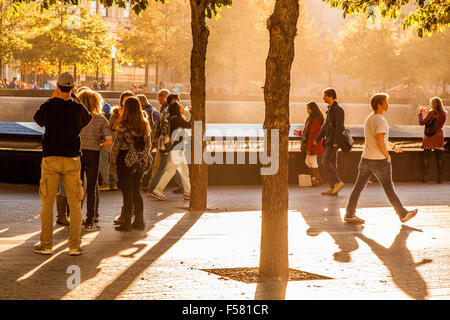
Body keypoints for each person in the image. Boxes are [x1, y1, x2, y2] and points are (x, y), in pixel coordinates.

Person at [32, 72, 92, 255]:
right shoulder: (78, 109)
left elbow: (38, 119)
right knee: (75, 204)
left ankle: (46, 244)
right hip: (72, 159)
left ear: (57, 87)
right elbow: (87, 118)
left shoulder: (49, 106)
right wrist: (73, 98)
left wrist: (55, 98)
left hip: (51, 158)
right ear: (73, 89)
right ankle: (74, 245)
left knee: (47, 203)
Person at [344, 93, 418, 224]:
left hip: (366, 158)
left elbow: (380, 139)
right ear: (379, 105)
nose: (388, 104)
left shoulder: (370, 118)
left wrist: (393, 146)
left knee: (358, 187)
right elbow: (380, 141)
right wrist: (387, 155)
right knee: (389, 188)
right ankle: (402, 213)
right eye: (386, 102)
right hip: (379, 160)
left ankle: (349, 214)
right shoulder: (381, 120)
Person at [110, 96, 151, 231]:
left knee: (127, 191)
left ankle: (126, 222)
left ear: (126, 109)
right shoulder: (144, 124)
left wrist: (113, 162)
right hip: (140, 160)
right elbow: (148, 145)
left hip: (125, 159)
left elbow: (116, 146)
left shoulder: (122, 125)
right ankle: (139, 221)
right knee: (136, 190)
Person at [78, 89, 112, 231]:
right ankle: (90, 221)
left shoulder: (75, 116)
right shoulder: (100, 119)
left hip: (77, 153)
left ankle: (76, 217)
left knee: (76, 186)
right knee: (91, 187)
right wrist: (98, 145)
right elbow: (109, 140)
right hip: (93, 154)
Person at [150, 100, 191, 201]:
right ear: (177, 109)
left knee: (184, 172)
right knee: (170, 172)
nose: (182, 107)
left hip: (177, 149)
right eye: (180, 105)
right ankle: (157, 191)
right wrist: (192, 112)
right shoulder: (176, 119)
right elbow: (190, 125)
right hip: (176, 150)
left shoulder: (172, 119)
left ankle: (188, 193)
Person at [146, 92, 184, 198]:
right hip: (169, 143)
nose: (180, 102)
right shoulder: (171, 112)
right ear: (173, 101)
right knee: (163, 167)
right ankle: (152, 189)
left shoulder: (164, 110)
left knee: (170, 166)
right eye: (178, 100)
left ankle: (184, 187)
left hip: (164, 142)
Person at [314, 88, 345, 195]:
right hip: (329, 140)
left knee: (325, 162)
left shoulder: (338, 110)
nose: (323, 97)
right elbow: (324, 127)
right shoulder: (330, 109)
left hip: (333, 142)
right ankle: (333, 188)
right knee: (331, 163)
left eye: (325, 95)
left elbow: (340, 127)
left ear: (331, 96)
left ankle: (338, 182)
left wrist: (336, 141)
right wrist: (317, 139)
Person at [418, 97, 447, 183]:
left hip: (429, 137)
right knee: (439, 158)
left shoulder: (431, 113)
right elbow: (436, 121)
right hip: (439, 136)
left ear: (433, 104)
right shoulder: (444, 113)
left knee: (426, 157)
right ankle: (439, 178)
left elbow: (422, 122)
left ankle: (424, 177)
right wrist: (428, 114)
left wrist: (420, 114)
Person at [300, 101, 325, 186]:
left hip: (314, 145)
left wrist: (308, 148)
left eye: (308, 109)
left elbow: (312, 135)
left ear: (313, 109)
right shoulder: (312, 118)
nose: (307, 110)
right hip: (313, 144)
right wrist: (300, 132)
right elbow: (308, 131)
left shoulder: (316, 120)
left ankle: (317, 179)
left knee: (312, 161)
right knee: (308, 161)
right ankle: (315, 178)